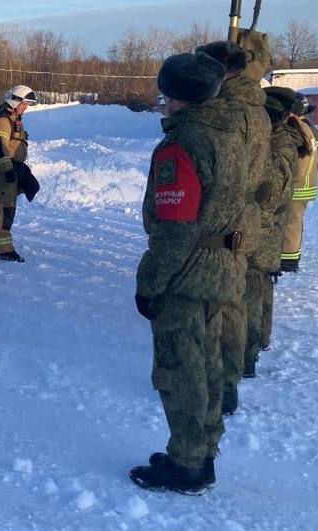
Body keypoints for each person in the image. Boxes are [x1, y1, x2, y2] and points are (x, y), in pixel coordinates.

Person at [130, 51, 246, 493]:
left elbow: (176, 227)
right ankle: (202, 449)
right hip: (224, 267)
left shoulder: (184, 143)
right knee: (210, 366)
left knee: (181, 369)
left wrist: (150, 282)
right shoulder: (230, 133)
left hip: (187, 271)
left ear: (175, 95)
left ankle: (188, 463)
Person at [196, 40, 270, 415]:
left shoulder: (225, 108)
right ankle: (230, 380)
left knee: (212, 308)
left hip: (222, 217)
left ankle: (217, 385)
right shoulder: (257, 108)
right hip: (247, 217)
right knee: (234, 302)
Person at [248, 88, 300, 364]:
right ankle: (258, 340)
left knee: (254, 290)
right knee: (261, 286)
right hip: (270, 226)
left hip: (265, 227)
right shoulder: (283, 140)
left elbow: (269, 193)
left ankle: (250, 349)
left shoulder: (278, 145)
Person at [0, 85, 38, 261]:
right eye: (24, 104)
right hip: (0, 172)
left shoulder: (13, 119)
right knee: (3, 210)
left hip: (7, 169)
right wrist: (8, 171)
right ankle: (5, 250)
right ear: (15, 102)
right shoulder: (3, 121)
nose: (25, 108)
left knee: (1, 209)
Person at [280, 94, 317, 273]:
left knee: (290, 224)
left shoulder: (296, 129)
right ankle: (290, 256)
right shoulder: (309, 128)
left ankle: (288, 260)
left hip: (296, 184)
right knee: (294, 222)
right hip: (306, 183)